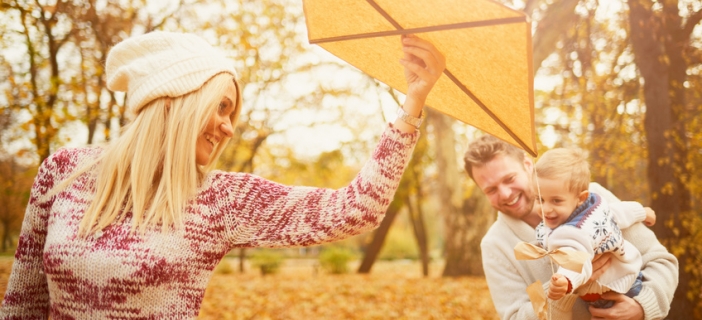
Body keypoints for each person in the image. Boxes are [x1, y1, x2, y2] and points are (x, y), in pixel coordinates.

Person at [0, 31, 446, 318]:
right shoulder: (64, 171)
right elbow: (23, 304)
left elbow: (355, 210)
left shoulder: (221, 200)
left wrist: (412, 104)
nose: (230, 128)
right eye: (222, 107)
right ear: (175, 99)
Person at [463, 135, 678, 320]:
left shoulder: (592, 199)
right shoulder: (496, 245)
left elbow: (660, 260)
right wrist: (563, 287)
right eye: (491, 189)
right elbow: (516, 316)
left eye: (509, 178)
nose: (505, 194)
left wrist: (642, 306)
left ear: (528, 166)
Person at [531, 147, 655, 308]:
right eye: (539, 199)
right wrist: (642, 212)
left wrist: (565, 280)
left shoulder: (575, 232)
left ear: (580, 198)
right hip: (626, 277)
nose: (546, 209)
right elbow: (616, 212)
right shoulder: (595, 205)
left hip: (616, 291)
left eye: (556, 201)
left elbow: (577, 260)